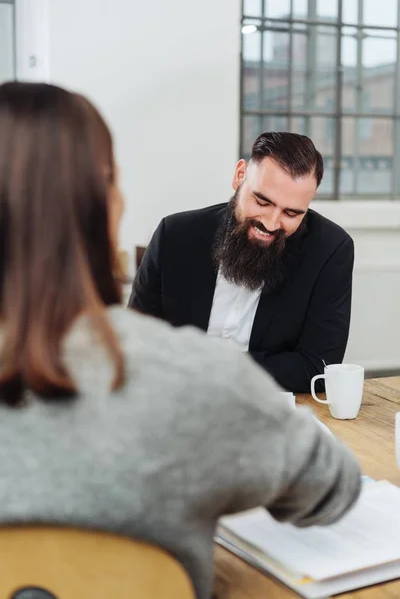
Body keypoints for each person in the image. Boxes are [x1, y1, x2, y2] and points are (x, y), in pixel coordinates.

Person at [0, 82, 361, 599]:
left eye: (291, 213)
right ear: (107, 206)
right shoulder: (194, 378)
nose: (271, 223)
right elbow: (336, 489)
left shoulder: (325, 253)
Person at [129, 132, 354, 393]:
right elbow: (136, 342)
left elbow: (319, 367)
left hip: (263, 406)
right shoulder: (174, 235)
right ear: (239, 176)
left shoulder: (331, 250)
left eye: (291, 213)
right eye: (261, 201)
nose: (271, 223)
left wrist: (213, 367)